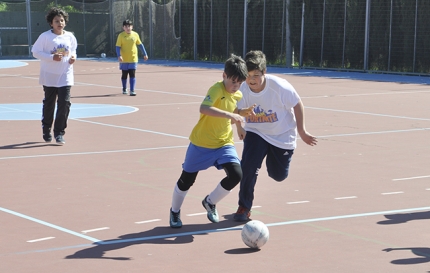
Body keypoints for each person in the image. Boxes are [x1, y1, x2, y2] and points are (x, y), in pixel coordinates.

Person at [169, 54, 255, 228]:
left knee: (236, 174)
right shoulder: (216, 89)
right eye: (233, 82)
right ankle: (175, 211)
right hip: (201, 144)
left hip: (223, 143)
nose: (236, 86)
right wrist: (231, 114)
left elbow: (232, 112)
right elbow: (204, 108)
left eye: (239, 83)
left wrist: (241, 115)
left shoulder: (237, 94)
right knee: (186, 180)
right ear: (224, 76)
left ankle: (210, 202)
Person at [233, 50, 318, 222]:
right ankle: (244, 206)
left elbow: (297, 103)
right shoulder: (242, 89)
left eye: (256, 75)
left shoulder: (279, 86)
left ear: (264, 72)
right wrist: (239, 127)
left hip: (282, 134)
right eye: (248, 75)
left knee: (278, 175)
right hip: (256, 132)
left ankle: (271, 159)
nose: (251, 80)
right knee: (248, 167)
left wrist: (301, 131)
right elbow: (235, 109)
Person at [32, 7, 77, 145]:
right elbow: (35, 52)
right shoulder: (45, 36)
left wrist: (73, 57)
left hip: (65, 75)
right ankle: (46, 129)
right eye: (56, 21)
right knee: (49, 104)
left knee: (65, 104)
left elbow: (74, 50)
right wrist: (52, 57)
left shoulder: (70, 36)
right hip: (49, 76)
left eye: (62, 20)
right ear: (51, 23)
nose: (60, 23)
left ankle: (59, 133)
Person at [115, 19, 148, 96]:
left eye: (129, 26)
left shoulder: (135, 35)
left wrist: (145, 54)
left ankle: (132, 90)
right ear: (123, 28)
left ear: (132, 27)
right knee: (124, 74)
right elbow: (117, 47)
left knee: (132, 74)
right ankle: (124, 88)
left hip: (133, 58)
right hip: (124, 59)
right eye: (126, 26)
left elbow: (140, 44)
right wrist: (119, 55)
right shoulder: (121, 36)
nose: (128, 28)